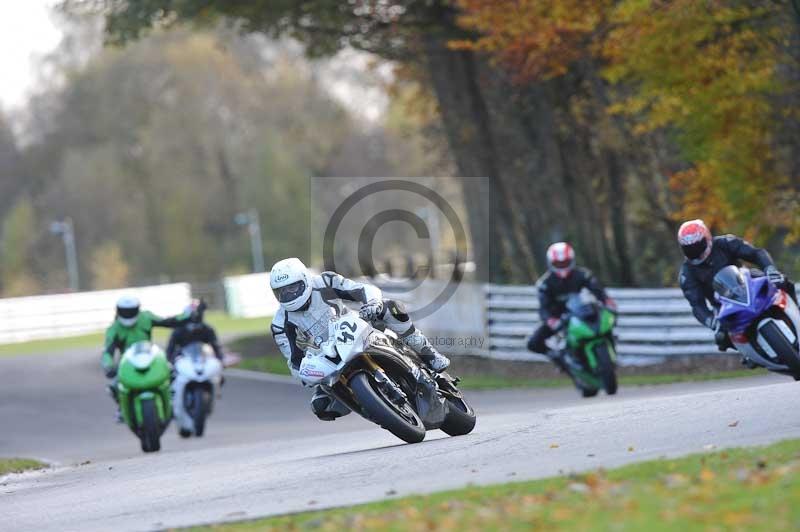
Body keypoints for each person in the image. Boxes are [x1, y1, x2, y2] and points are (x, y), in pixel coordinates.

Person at [269, 257, 450, 421]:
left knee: (392, 308)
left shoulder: (324, 282)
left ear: (305, 279)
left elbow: (362, 290)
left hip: (357, 329)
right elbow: (294, 361)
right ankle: (376, 409)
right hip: (327, 359)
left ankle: (429, 354)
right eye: (282, 291)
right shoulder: (279, 324)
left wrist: (372, 303)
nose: (289, 294)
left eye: (293, 287)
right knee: (321, 407)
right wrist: (306, 375)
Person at [677, 219, 795, 353]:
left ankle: (797, 312)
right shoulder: (686, 274)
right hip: (722, 304)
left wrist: (770, 269)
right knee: (721, 339)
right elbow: (697, 305)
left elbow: (756, 253)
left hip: (748, 283)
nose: (695, 251)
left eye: (698, 245)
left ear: (707, 237)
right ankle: (749, 354)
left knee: (782, 281)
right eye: (690, 248)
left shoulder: (725, 242)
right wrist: (710, 321)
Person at [526, 242, 616, 371]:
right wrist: (550, 320)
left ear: (572, 261)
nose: (562, 267)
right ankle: (558, 358)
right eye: (558, 264)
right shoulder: (544, 284)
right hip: (559, 318)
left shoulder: (583, 275)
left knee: (607, 323)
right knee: (533, 343)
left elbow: (597, 290)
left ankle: (611, 352)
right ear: (551, 263)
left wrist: (606, 300)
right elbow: (543, 307)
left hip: (582, 312)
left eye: (565, 263)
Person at [101, 296, 189, 419]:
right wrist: (108, 366)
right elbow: (107, 352)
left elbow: (168, 322)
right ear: (118, 311)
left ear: (137, 309)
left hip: (150, 356)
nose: (128, 314)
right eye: (125, 311)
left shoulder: (146, 317)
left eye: (131, 310)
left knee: (173, 373)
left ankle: (171, 402)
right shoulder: (113, 329)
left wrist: (187, 317)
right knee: (113, 387)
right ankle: (123, 408)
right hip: (127, 363)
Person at [165, 299, 224, 364]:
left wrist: (220, 359)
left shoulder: (207, 329)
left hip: (203, 360)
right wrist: (170, 361)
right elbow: (170, 348)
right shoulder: (179, 330)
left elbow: (215, 346)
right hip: (184, 360)